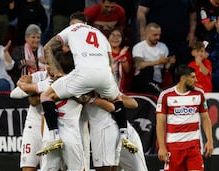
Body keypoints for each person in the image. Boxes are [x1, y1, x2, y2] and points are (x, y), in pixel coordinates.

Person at [19, 12, 137, 156]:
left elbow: (47, 48)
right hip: (105, 75)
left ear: (73, 24)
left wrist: (57, 72)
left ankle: (54, 137)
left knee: (46, 95)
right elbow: (111, 64)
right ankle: (125, 137)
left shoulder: (71, 30)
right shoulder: (100, 34)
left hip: (83, 74)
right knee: (117, 99)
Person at [156, 64, 213, 171]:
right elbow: (160, 123)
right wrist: (162, 147)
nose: (196, 80)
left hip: (193, 145)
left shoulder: (199, 94)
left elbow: (205, 118)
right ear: (183, 78)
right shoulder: (166, 95)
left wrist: (209, 140)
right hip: (173, 146)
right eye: (192, 77)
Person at [137, 0, 197, 65]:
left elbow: (193, 12)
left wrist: (192, 33)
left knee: (183, 71)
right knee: (157, 71)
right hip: (157, 42)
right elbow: (141, 12)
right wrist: (143, 35)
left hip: (181, 41)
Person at [132, 22, 176, 95]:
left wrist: (170, 63)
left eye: (159, 35)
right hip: (142, 80)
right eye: (155, 35)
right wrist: (157, 62)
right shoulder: (139, 47)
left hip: (158, 80)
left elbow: (166, 68)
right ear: (147, 33)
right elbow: (139, 65)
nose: (158, 37)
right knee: (148, 69)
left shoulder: (163, 47)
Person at [108, 28, 133, 92]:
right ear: (108, 37)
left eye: (118, 36)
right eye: (112, 35)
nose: (115, 38)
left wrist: (123, 59)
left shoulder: (126, 52)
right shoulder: (103, 51)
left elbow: (127, 71)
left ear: (122, 39)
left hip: (122, 88)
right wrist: (120, 56)